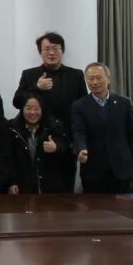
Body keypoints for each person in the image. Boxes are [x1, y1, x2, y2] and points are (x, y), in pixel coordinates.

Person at [13, 32, 87, 187]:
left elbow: (82, 109)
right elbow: (17, 102)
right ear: (40, 52)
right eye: (47, 49)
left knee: (65, 190)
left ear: (62, 51)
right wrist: (36, 87)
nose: (51, 53)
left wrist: (78, 142)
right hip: (38, 142)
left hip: (66, 143)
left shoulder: (76, 75)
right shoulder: (30, 74)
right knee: (37, 189)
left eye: (55, 48)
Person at [71, 63, 133, 194]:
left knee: (122, 207)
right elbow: (79, 132)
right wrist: (81, 149)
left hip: (121, 170)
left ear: (108, 79)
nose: (94, 82)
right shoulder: (79, 105)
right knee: (94, 206)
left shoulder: (124, 103)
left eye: (98, 78)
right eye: (90, 78)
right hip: (93, 171)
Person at [11, 91, 72, 194]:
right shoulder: (13, 128)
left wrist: (56, 147)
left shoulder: (53, 126)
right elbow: (8, 159)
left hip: (48, 186)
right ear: (22, 109)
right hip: (22, 186)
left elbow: (66, 144)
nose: (32, 112)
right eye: (28, 108)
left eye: (36, 109)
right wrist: (12, 182)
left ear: (42, 109)